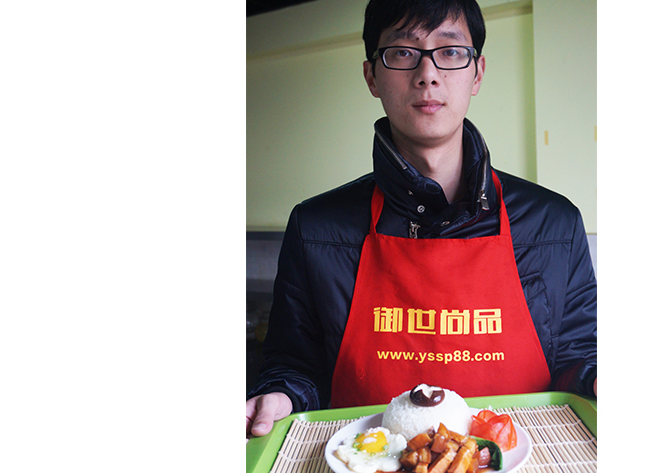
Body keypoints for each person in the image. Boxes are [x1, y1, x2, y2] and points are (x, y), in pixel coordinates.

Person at [246, 0, 596, 438]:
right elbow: (296, 367)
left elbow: (579, 357)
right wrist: (281, 394)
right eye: (403, 52)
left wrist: (594, 377)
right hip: (369, 464)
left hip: (528, 462)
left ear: (477, 73)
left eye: (449, 51)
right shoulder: (316, 229)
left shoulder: (554, 226)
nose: (427, 74)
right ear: (372, 76)